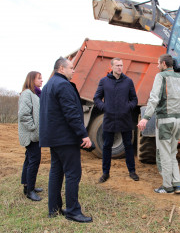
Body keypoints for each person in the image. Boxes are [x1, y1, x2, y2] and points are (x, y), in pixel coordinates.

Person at [39, 57, 93, 223]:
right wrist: (83, 134)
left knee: (56, 172)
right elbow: (72, 114)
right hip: (65, 138)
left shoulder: (48, 85)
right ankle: (72, 211)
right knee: (73, 174)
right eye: (71, 68)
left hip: (53, 138)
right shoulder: (63, 85)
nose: (73, 71)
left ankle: (54, 209)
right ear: (61, 68)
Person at [137, 54, 180, 194]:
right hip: (177, 120)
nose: (157, 66)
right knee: (172, 153)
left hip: (164, 121)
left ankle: (167, 186)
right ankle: (177, 184)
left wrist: (146, 117)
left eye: (158, 64)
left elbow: (154, 98)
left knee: (163, 154)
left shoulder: (161, 76)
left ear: (164, 64)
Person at [94, 57, 139, 183]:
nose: (120, 67)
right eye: (117, 65)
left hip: (125, 119)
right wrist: (104, 107)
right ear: (112, 67)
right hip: (109, 119)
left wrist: (127, 107)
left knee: (128, 146)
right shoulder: (104, 81)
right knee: (107, 146)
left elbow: (134, 99)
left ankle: (132, 171)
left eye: (121, 65)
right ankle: (105, 173)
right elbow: (96, 98)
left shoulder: (128, 81)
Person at [18, 71, 43, 201]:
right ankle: (30, 191)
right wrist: (33, 127)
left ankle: (27, 185)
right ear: (32, 80)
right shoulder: (27, 94)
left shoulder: (34, 94)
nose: (42, 80)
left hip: (34, 135)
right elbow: (23, 115)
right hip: (31, 135)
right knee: (34, 160)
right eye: (39, 78)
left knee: (29, 159)